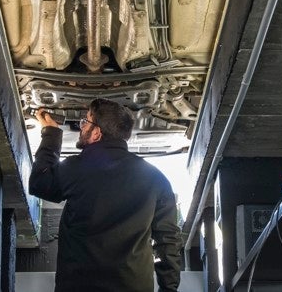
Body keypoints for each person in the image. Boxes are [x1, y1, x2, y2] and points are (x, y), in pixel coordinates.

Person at [29, 98, 182, 292]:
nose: (81, 127)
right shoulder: (156, 178)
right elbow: (167, 241)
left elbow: (39, 184)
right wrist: (168, 289)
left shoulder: (76, 167)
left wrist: (51, 133)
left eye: (86, 121)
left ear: (96, 133)